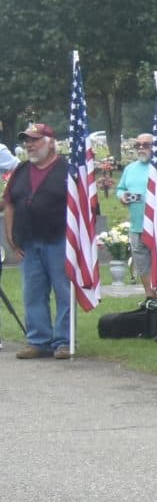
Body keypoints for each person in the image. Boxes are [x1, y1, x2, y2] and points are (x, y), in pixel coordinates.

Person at [3, 123, 72, 359]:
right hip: (29, 241)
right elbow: (9, 201)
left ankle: (63, 342)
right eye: (27, 141)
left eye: (35, 140)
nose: (29, 145)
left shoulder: (68, 170)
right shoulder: (21, 170)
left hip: (60, 240)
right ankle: (38, 340)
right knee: (32, 292)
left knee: (63, 291)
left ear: (51, 142)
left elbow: (85, 208)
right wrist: (11, 235)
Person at [116, 134, 156, 292]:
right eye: (137, 145)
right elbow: (121, 189)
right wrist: (122, 196)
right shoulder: (130, 168)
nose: (141, 148)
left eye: (146, 145)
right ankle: (149, 295)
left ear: (154, 147)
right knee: (141, 264)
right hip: (136, 225)